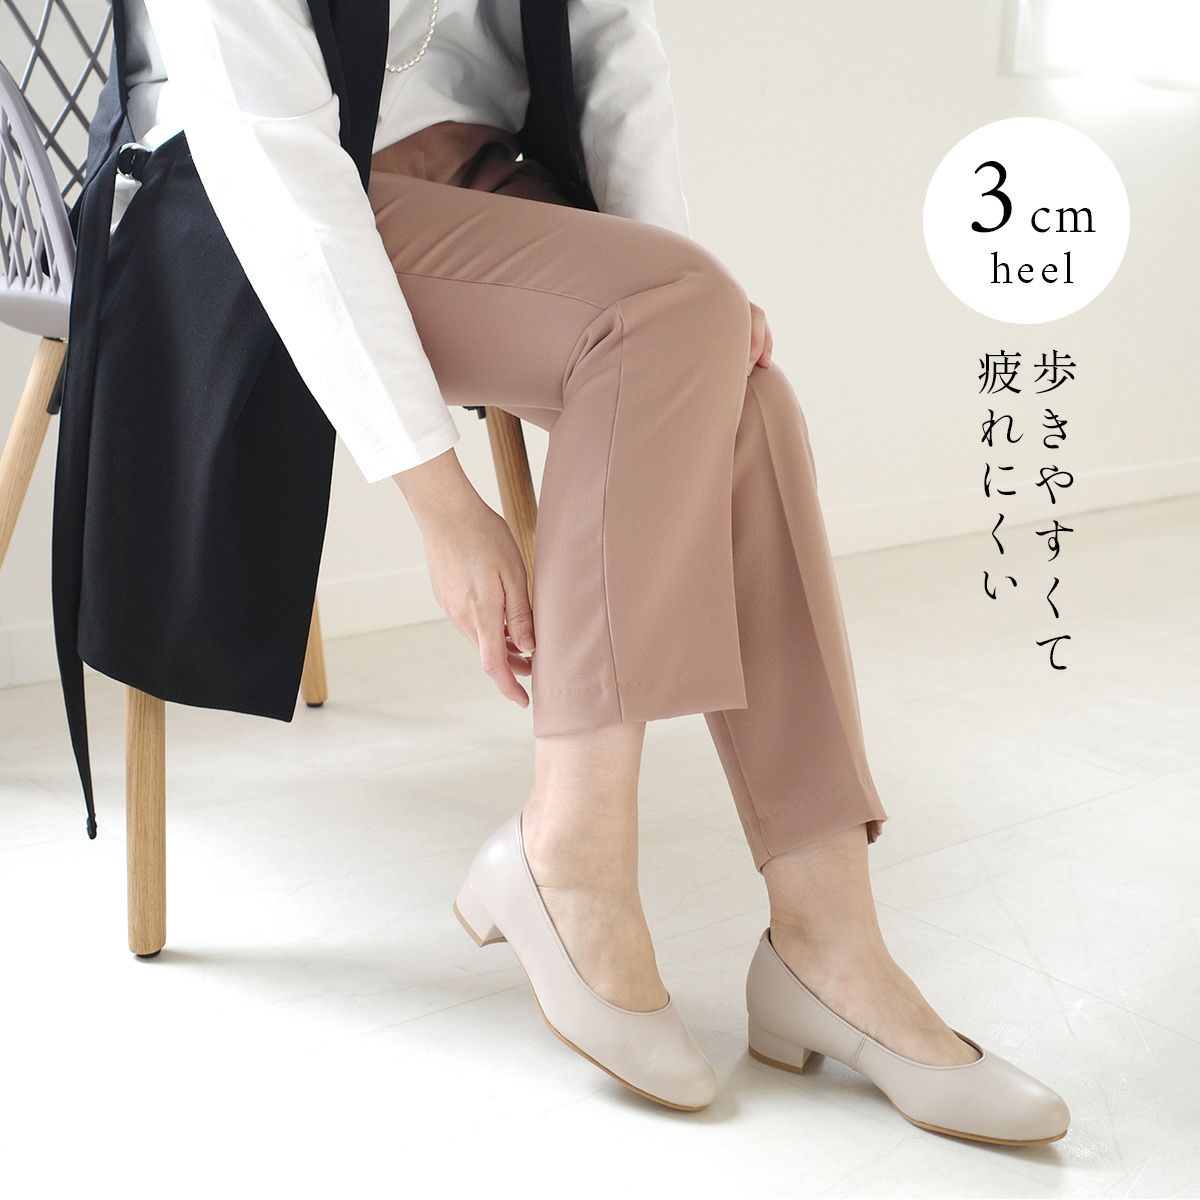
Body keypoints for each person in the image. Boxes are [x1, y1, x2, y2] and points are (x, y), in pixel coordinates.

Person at [106, 0, 1069, 1142]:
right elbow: (269, 152)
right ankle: (574, 855)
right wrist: (443, 505)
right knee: (679, 321)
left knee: (741, 390)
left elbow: (614, 42)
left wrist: (693, 302)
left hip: (476, 172)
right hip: (253, 194)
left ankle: (829, 941)